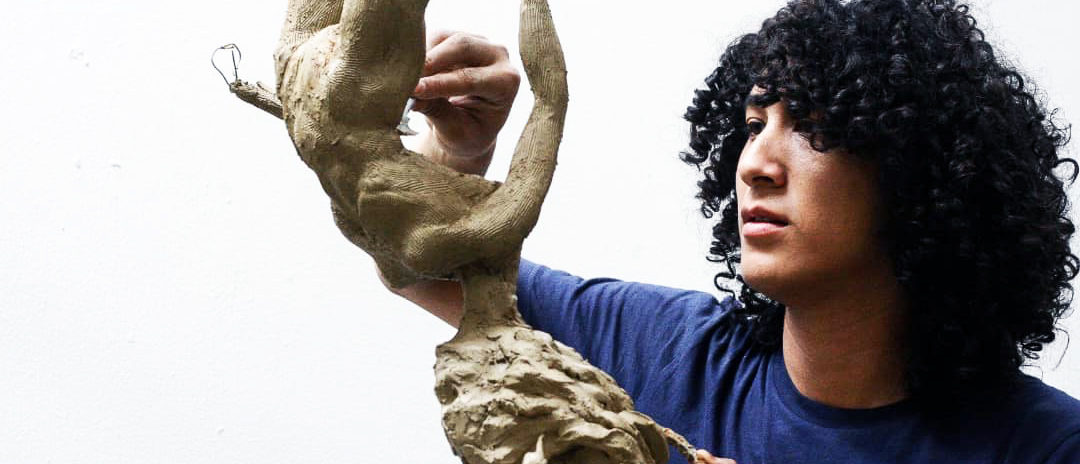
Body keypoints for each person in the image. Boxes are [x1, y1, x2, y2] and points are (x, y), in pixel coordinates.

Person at [382, 0, 1080, 462]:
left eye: (812, 126)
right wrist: (463, 150)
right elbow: (419, 267)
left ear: (919, 169)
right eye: (752, 126)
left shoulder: (1044, 445)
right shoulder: (658, 347)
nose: (755, 165)